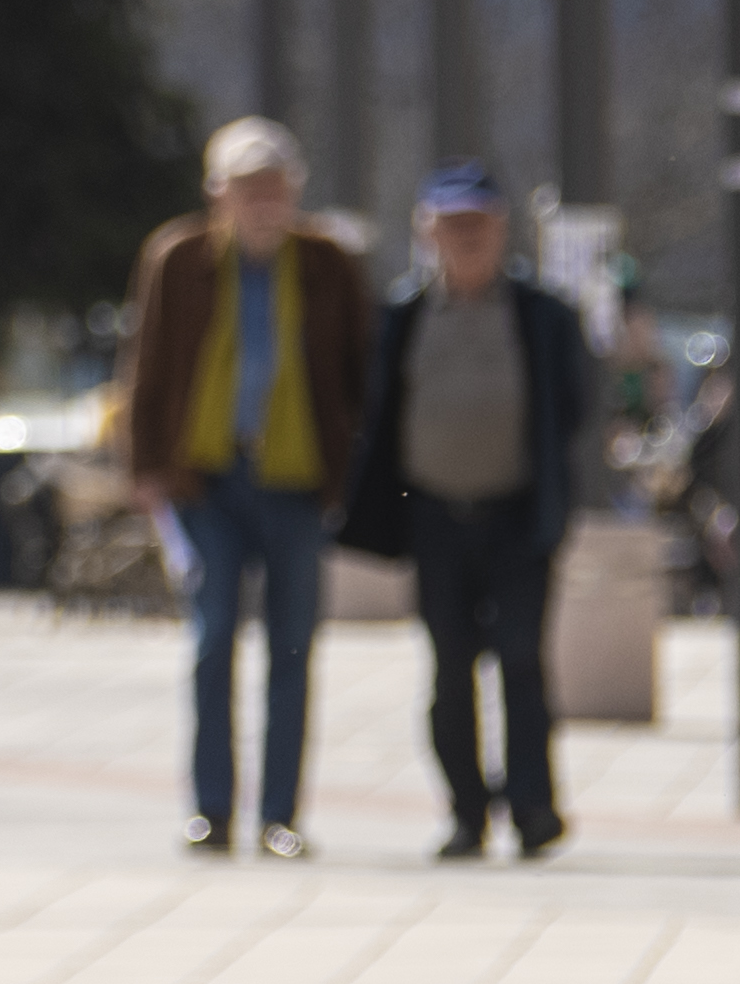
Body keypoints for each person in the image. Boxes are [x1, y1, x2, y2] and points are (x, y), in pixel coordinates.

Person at [115, 118, 374, 860]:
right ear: (217, 194)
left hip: (294, 479)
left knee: (293, 646)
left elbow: (360, 368)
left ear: (295, 192)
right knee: (212, 636)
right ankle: (211, 809)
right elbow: (149, 362)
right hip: (209, 479)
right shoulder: (180, 257)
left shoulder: (326, 262)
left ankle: (280, 815)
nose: (263, 202)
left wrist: (352, 472)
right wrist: (145, 467)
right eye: (247, 187)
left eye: (275, 187)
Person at [337, 166, 594, 863]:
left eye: (477, 224)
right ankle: (465, 811)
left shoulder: (541, 314)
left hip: (516, 514)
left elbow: (573, 406)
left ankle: (535, 804)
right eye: (451, 226)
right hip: (435, 516)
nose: (465, 239)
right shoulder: (404, 315)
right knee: (450, 666)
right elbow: (377, 414)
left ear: (501, 229)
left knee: (520, 659)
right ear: (428, 233)